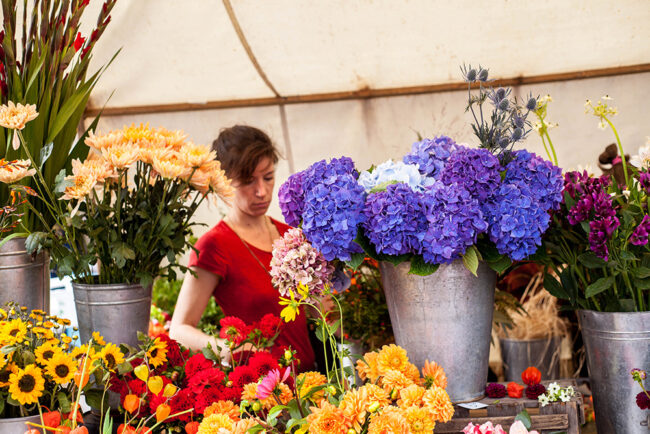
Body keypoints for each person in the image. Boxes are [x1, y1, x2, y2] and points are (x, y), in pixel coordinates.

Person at [169, 125, 316, 372]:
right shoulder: (214, 245)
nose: (262, 191)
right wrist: (226, 350)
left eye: (268, 177)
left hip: (315, 381)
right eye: (247, 182)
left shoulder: (290, 235)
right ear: (222, 181)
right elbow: (179, 330)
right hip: (263, 392)